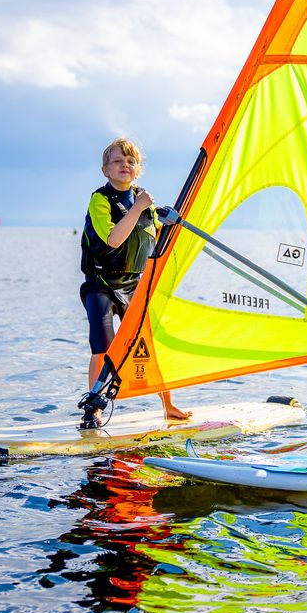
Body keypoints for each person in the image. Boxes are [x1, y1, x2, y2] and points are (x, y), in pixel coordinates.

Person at [79, 137, 188, 426]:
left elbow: (154, 235)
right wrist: (139, 207)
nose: (124, 165)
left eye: (130, 161)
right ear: (105, 170)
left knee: (150, 345)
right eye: (117, 161)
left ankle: (168, 405)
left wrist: (168, 222)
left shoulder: (144, 201)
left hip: (133, 286)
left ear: (138, 169)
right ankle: (94, 407)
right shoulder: (100, 200)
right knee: (102, 346)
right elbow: (114, 239)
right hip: (100, 284)